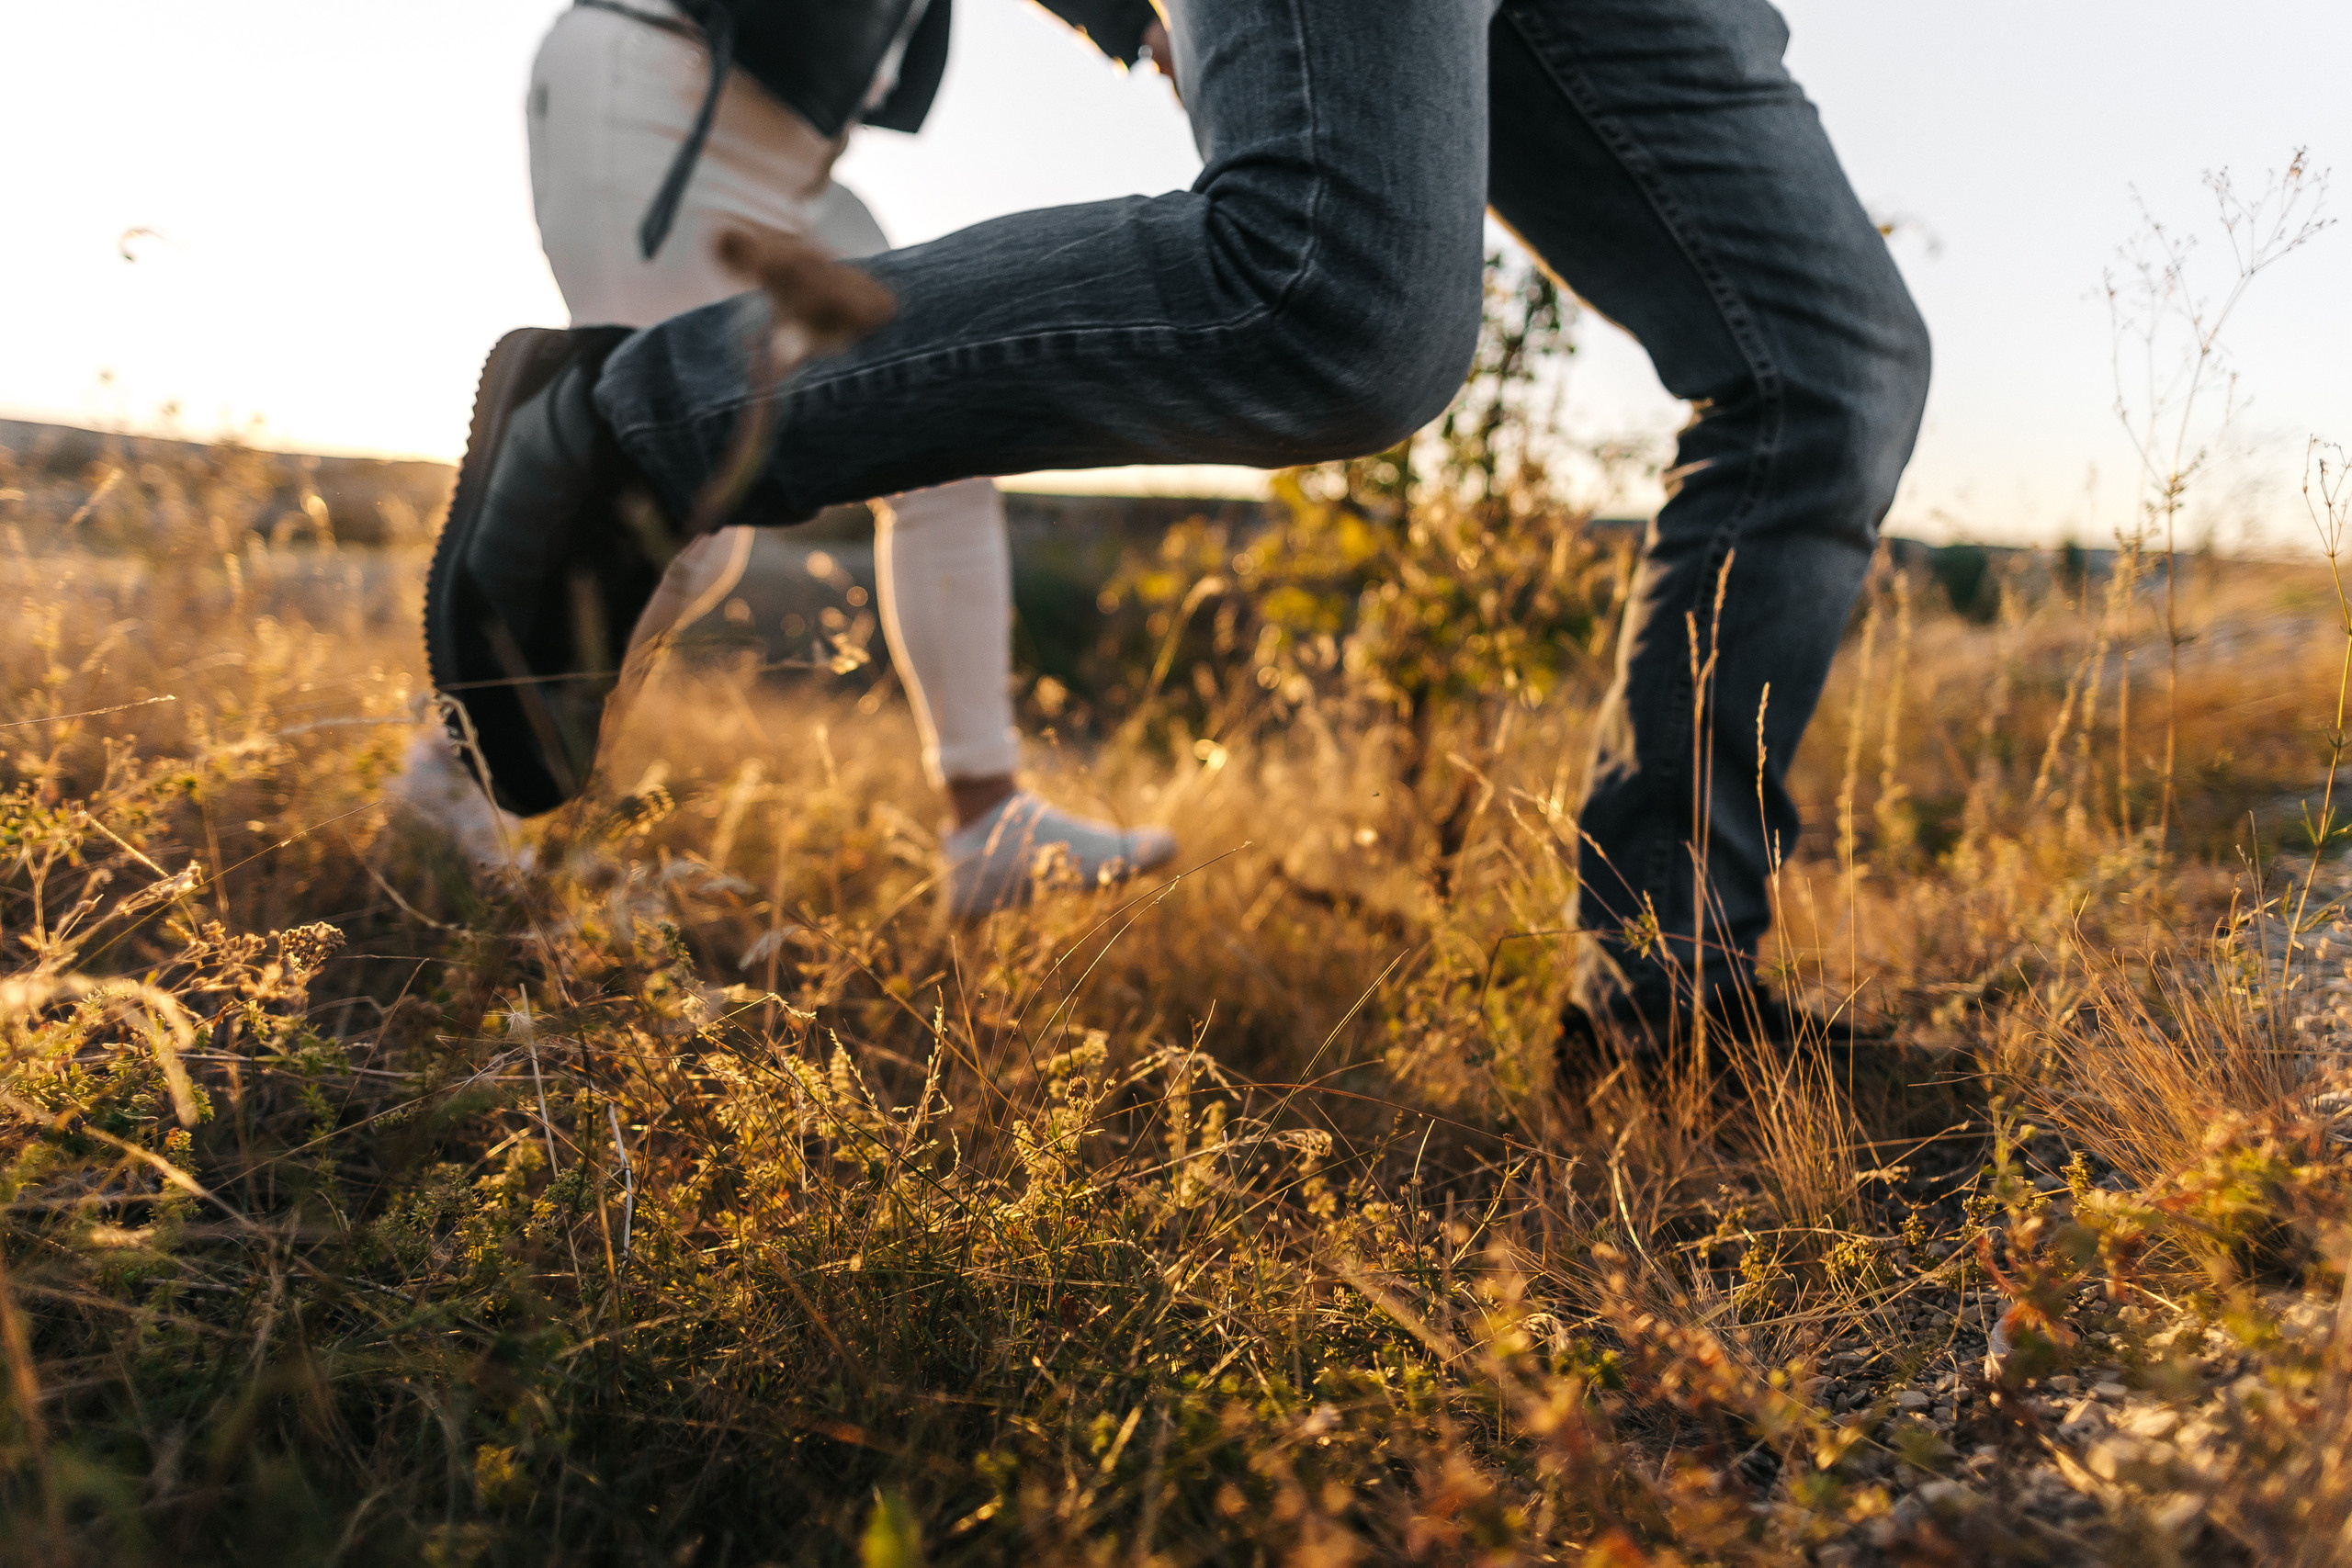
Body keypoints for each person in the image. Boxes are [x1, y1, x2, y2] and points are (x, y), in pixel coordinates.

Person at [425, 0, 1931, 1054]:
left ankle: (1672, 992)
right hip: (654, 95)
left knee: (1824, 360)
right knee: (1332, 299)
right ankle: (622, 440)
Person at [403, 0, 1175, 916]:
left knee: (947, 436)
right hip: (658, 88)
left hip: (797, 157)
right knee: (668, 498)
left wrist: (1137, 25)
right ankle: (449, 789)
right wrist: (1131, 20)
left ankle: (989, 823)